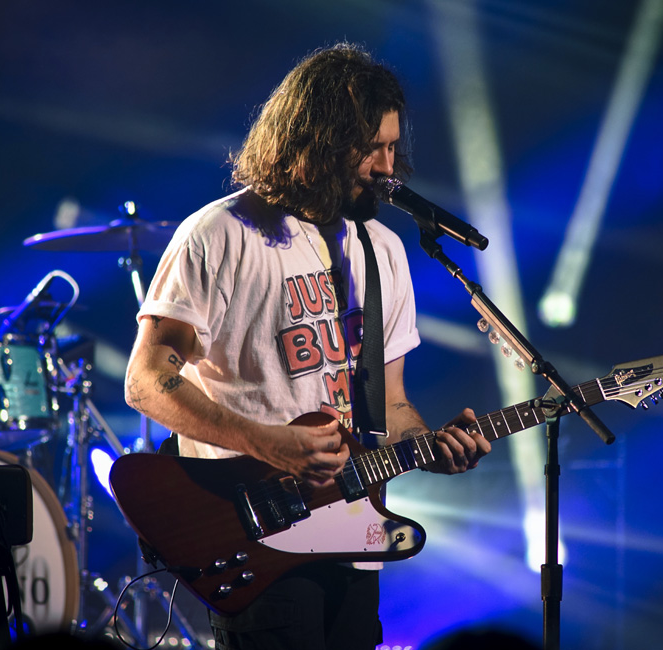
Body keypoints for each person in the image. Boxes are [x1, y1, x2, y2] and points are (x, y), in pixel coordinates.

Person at [124, 43, 491, 649]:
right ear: (316, 142)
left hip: (355, 538)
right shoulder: (220, 235)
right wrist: (265, 442)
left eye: (393, 147)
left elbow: (391, 405)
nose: (388, 167)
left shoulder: (383, 251)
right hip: (256, 531)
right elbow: (146, 382)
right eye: (371, 148)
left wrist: (431, 444)